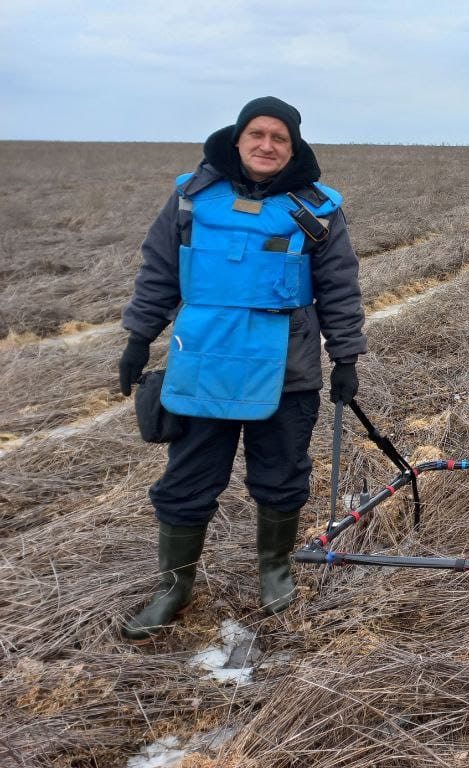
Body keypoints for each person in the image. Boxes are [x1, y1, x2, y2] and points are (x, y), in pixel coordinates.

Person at [117, 96, 366, 639]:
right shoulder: (191, 199)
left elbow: (340, 288)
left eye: (280, 138)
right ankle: (173, 589)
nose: (267, 146)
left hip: (289, 369)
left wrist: (345, 355)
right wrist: (139, 338)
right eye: (258, 134)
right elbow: (159, 271)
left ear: (293, 147)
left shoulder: (317, 210)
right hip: (202, 363)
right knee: (186, 481)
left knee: (281, 476)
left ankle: (274, 571)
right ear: (238, 139)